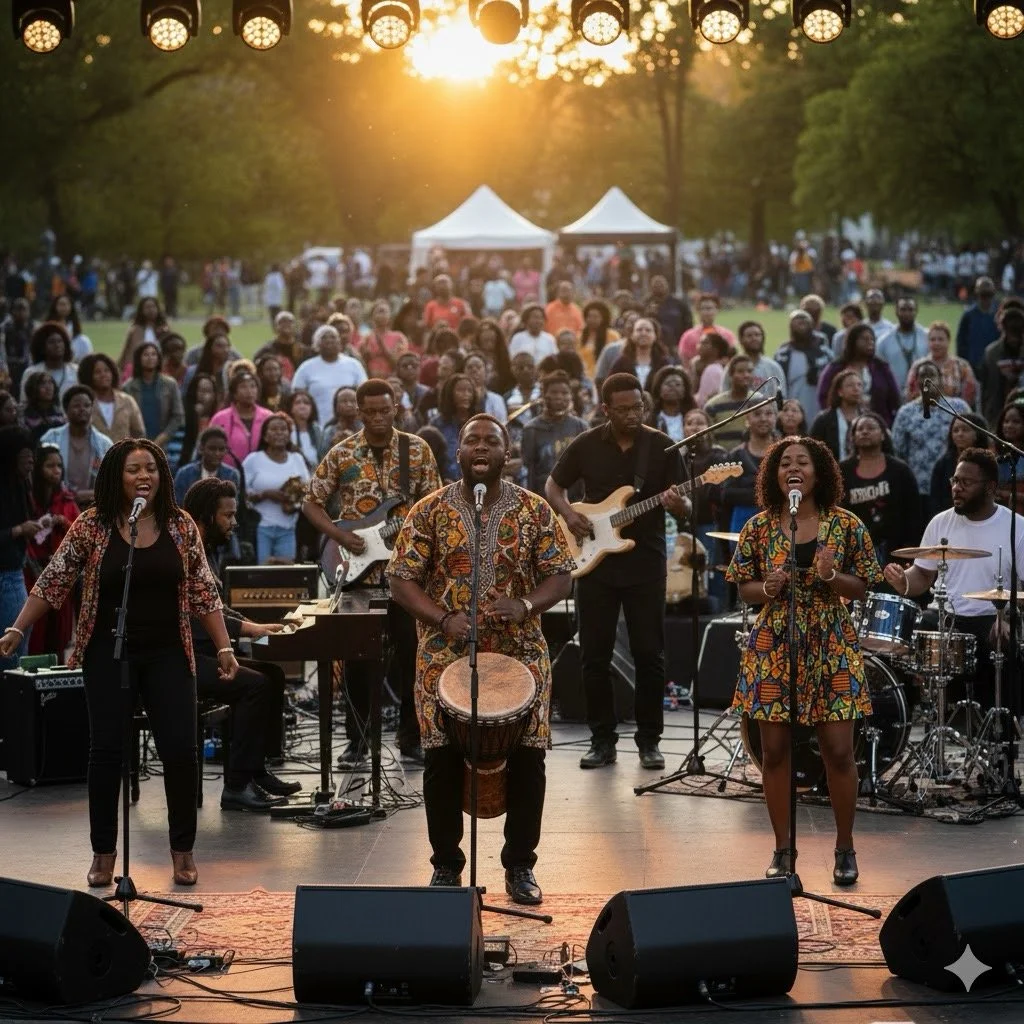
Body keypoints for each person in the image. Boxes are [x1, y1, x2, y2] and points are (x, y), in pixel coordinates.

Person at [0, 438, 238, 888]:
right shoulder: (92, 525)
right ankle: (104, 853)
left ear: (162, 477)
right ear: (116, 476)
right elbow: (54, 581)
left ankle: (182, 851)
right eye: (133, 469)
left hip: (169, 652)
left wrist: (224, 646)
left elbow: (204, 592)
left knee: (181, 752)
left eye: (150, 468)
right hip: (107, 652)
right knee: (106, 751)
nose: (143, 476)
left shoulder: (181, 525)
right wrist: (17, 627)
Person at [387, 413, 574, 902]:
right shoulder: (428, 510)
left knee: (529, 758)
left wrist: (528, 604)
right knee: (441, 759)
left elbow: (561, 575)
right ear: (459, 452)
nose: (482, 447)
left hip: (519, 652)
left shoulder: (534, 510)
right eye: (473, 440)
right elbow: (400, 579)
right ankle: (447, 864)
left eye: (493, 440)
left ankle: (520, 866)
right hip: (444, 654)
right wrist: (443, 619)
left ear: (507, 454)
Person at [725, 436, 882, 885]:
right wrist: (766, 589)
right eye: (784, 463)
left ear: (820, 473)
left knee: (837, 751)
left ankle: (845, 848)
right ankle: (782, 851)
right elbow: (744, 588)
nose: (793, 468)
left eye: (802, 462)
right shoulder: (758, 527)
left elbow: (863, 586)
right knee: (773, 753)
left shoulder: (846, 525)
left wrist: (833, 575)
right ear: (775, 476)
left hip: (831, 641)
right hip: (774, 643)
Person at [546, 373, 688, 771]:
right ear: (605, 409)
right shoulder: (587, 443)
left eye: (637, 407)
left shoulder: (661, 446)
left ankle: (649, 741)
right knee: (594, 655)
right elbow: (553, 487)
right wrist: (570, 514)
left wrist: (680, 505)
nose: (631, 415)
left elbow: (687, 508)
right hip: (595, 563)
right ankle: (602, 740)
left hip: (645, 563)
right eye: (623, 409)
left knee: (650, 655)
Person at [302, 379, 440, 765]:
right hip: (358, 574)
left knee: (414, 655)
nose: (379, 418)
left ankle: (413, 738)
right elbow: (311, 504)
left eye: (385, 410)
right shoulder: (342, 453)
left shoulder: (417, 450)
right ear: (359, 412)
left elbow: (433, 506)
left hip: (408, 575)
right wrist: (339, 536)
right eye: (371, 412)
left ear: (396, 407)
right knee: (357, 660)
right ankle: (358, 739)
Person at [182, 478, 300, 810]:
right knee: (255, 685)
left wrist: (256, 625)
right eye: (228, 516)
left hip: (205, 652)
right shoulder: (187, 552)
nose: (234, 523)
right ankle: (235, 787)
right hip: (182, 659)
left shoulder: (206, 551)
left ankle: (256, 771)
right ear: (206, 516)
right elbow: (197, 613)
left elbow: (215, 606)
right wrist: (249, 628)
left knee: (273, 675)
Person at [882, 447, 1024, 711]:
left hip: (989, 616)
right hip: (944, 615)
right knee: (898, 642)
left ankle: (998, 735)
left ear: (991, 487)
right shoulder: (940, 522)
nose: (957, 488)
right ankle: (901, 725)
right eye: (955, 481)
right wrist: (902, 581)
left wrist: (1005, 618)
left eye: (966, 482)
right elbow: (923, 575)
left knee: (1004, 648)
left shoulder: (1016, 525)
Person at [839, 413, 920, 566]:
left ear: (883, 435)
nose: (864, 431)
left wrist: (909, 551)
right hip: (854, 555)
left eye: (871, 428)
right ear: (853, 437)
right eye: (860, 429)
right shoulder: (843, 471)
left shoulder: (900, 470)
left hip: (896, 554)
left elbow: (914, 514)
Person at [24, 444, 80, 655]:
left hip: (60, 575)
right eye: (50, 466)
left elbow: (78, 533)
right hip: (32, 574)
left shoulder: (67, 499)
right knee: (35, 634)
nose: (56, 470)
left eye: (59, 466)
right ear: (38, 468)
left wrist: (63, 522)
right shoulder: (28, 499)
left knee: (59, 636)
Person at [892, 361, 971, 503]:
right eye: (923, 375)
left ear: (940, 379)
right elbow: (898, 451)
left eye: (932, 375)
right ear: (916, 381)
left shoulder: (958, 407)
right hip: (919, 487)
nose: (927, 380)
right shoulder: (906, 413)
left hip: (956, 483)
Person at [243, 413, 310, 564]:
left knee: (284, 577)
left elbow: (307, 491)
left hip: (288, 528)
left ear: (289, 435)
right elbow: (241, 493)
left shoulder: (297, 459)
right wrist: (264, 495)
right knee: (261, 574)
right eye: (274, 429)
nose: (279, 432)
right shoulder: (254, 460)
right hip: (260, 528)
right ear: (265, 436)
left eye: (283, 429)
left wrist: (293, 503)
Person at [0, 427, 37, 669]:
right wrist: (19, 530)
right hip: (6, 576)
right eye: (25, 457)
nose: (31, 462)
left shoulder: (21, 485)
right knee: (12, 647)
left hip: (15, 570)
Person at [40, 386, 114, 508]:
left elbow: (113, 482)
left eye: (87, 405)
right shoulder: (51, 438)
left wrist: (89, 495)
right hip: (57, 506)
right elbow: (40, 477)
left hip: (95, 507)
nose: (82, 409)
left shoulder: (104, 443)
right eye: (76, 406)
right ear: (66, 410)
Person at [521, 370, 589, 497]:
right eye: (554, 392)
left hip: (577, 500)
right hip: (545, 499)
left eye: (565, 393)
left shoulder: (581, 426)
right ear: (544, 395)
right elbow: (529, 472)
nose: (559, 396)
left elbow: (588, 468)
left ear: (571, 396)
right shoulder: (531, 429)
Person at [817, 325, 901, 425]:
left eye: (872, 339)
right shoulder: (836, 368)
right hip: (842, 423)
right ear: (852, 341)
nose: (870, 343)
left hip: (878, 423)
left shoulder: (881, 367)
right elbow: (823, 396)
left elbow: (895, 397)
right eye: (865, 339)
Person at [292, 324, 368, 425]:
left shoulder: (353, 365)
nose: (329, 340)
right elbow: (297, 394)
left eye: (333, 337)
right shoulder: (306, 367)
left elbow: (365, 392)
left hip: (351, 425)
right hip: (317, 426)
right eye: (324, 337)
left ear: (339, 342)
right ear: (317, 343)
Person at [722, 403, 778, 535]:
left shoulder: (785, 452)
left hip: (779, 526)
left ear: (775, 418)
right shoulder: (735, 455)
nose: (763, 418)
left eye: (769, 413)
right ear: (747, 420)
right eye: (757, 414)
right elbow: (726, 493)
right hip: (743, 526)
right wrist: (766, 493)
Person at [122, 342, 185, 453]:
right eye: (146, 354)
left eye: (153, 354)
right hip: (135, 445)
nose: (150, 358)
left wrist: (162, 438)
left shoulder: (170, 384)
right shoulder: (128, 387)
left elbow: (178, 416)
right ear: (139, 359)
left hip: (164, 445)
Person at [774, 310, 833, 423]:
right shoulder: (782, 356)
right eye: (797, 322)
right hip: (792, 416)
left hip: (820, 412)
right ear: (791, 327)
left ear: (812, 326)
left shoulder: (825, 354)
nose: (801, 325)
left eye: (805, 322)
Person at [209, 370, 273, 469]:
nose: (249, 391)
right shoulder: (220, 419)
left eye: (253, 386)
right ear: (234, 393)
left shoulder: (268, 417)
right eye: (243, 387)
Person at [929, 412, 991, 516]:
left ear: (978, 433)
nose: (960, 434)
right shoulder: (943, 464)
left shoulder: (989, 462)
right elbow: (935, 500)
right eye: (955, 430)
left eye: (965, 430)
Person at [906, 321, 978, 408]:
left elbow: (969, 395)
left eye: (940, 339)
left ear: (948, 341)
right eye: (932, 339)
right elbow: (911, 394)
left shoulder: (962, 367)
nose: (936, 343)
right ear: (928, 342)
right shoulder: (918, 366)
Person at [78, 353, 145, 443]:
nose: (103, 375)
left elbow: (139, 433)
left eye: (107, 371)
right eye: (97, 372)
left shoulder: (127, 401)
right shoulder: (84, 403)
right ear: (89, 376)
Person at [979, 307, 1024, 430]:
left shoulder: (991, 352)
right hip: (996, 413)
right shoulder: (992, 353)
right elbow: (985, 389)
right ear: (1003, 328)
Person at [430, 373, 481, 483]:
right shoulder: (437, 424)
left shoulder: (480, 423)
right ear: (450, 393)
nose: (465, 395)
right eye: (460, 390)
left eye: (469, 391)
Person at [173, 426, 240, 505]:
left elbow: (232, 507)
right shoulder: (184, 474)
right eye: (212, 449)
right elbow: (177, 505)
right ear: (201, 449)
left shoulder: (231, 475)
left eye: (221, 449)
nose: (217, 453)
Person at [810, 369, 865, 463]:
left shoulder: (868, 419)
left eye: (859, 385)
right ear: (840, 392)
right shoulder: (824, 420)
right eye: (850, 385)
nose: (856, 389)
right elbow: (812, 451)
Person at [608, 316, 672, 394]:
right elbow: (610, 387)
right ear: (632, 335)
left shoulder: (664, 363)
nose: (643, 333)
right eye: (639, 330)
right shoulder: (621, 362)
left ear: (655, 336)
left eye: (648, 330)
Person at [876, 298, 929, 393]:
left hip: (923, 394)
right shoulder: (884, 341)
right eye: (903, 309)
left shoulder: (927, 337)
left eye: (910, 310)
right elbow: (878, 372)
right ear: (896, 311)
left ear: (916, 311)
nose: (907, 313)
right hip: (893, 394)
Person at [705, 354, 755, 450]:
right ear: (731, 375)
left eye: (749, 371)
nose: (746, 375)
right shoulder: (713, 406)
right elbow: (709, 439)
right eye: (740, 371)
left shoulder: (760, 402)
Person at [20, 321, 79, 403]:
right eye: (51, 342)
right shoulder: (31, 373)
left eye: (60, 341)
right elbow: (24, 402)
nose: (57, 345)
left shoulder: (76, 371)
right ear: (42, 347)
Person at [722, 320, 784, 395]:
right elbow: (724, 393)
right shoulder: (733, 366)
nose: (754, 338)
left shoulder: (773, 367)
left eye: (757, 335)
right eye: (749, 336)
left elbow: (782, 395)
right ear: (741, 340)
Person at [677, 293, 736, 365]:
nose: (705, 312)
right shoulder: (688, 336)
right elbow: (685, 362)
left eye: (709, 308)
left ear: (717, 310)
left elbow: (732, 360)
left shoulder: (726, 335)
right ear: (697, 311)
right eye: (702, 309)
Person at [956, 276, 1000, 371]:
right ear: (977, 293)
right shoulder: (968, 315)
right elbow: (961, 343)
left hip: (994, 366)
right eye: (983, 295)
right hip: (973, 366)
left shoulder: (999, 315)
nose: (986, 299)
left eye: (989, 295)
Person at [117, 297, 169, 375]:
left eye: (153, 307)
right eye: (147, 307)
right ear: (141, 310)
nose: (151, 310)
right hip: (137, 369)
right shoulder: (135, 330)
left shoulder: (164, 329)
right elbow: (126, 352)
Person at [647, 365, 697, 442]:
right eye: (668, 384)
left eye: (678, 384)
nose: (673, 387)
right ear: (659, 389)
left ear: (685, 390)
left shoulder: (694, 417)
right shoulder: (650, 420)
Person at [577, 300, 620, 379]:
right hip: (584, 378)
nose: (592, 320)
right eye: (589, 316)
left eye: (596, 317)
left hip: (606, 377)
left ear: (603, 318)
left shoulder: (613, 336)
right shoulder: (579, 337)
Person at [282, 389, 323, 469]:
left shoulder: (318, 430)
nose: (302, 406)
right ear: (291, 408)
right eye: (297, 403)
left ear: (312, 408)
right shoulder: (287, 430)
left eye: (306, 403)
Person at [21, 371, 66, 442]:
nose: (48, 387)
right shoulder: (24, 414)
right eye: (43, 383)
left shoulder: (59, 415)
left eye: (50, 383)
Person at [47, 294, 92, 363]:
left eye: (66, 304)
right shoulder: (48, 327)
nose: (64, 307)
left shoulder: (81, 340)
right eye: (61, 304)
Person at [319, 386, 362, 455]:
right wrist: (333, 444)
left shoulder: (366, 428)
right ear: (336, 406)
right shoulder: (329, 431)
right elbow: (321, 457)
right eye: (344, 401)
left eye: (353, 401)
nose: (349, 404)